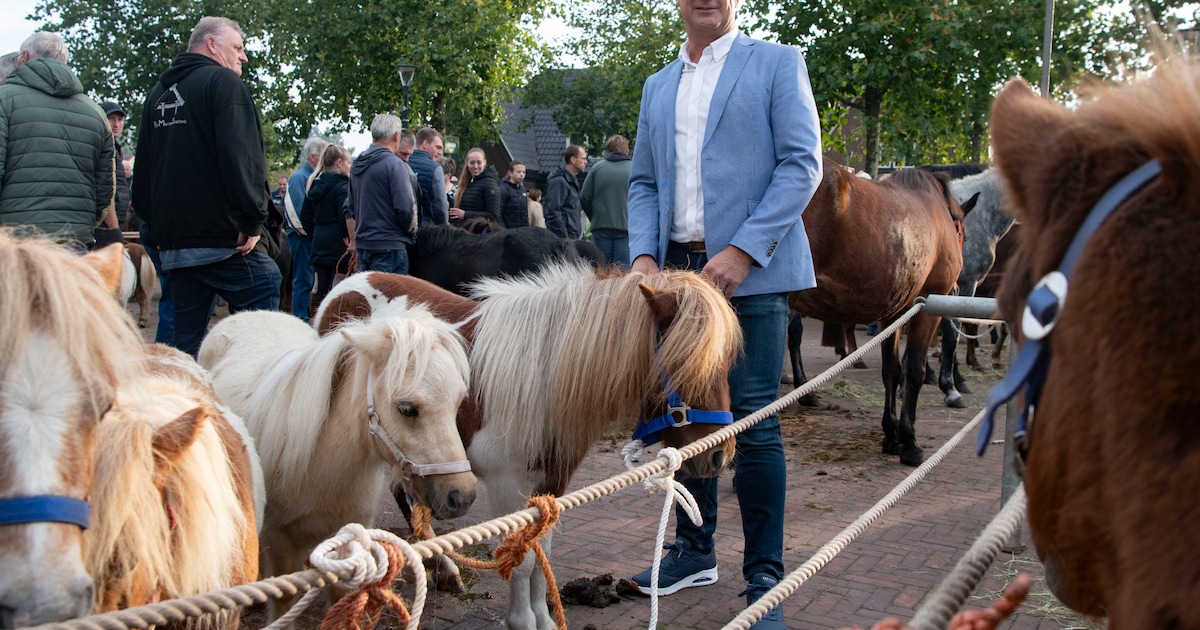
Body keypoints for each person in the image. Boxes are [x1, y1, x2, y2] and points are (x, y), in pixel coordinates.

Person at [625, 0, 823, 626]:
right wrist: (642, 257)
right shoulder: (658, 86)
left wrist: (742, 251)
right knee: (686, 417)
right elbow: (644, 184)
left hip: (753, 274)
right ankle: (694, 551)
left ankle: (765, 578)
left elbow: (802, 165)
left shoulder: (777, 63)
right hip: (676, 276)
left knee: (754, 420)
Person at [133, 16, 281, 357]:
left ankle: (182, 394)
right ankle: (252, 382)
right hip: (221, 239)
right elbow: (241, 158)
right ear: (212, 44)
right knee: (266, 282)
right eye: (238, 47)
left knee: (185, 339)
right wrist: (252, 221)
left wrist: (158, 228)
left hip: (177, 247)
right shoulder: (223, 84)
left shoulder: (157, 94)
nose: (243, 57)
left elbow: (143, 172)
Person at [0, 32, 115, 252]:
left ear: (23, 56)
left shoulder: (3, 100)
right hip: (74, 243)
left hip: (15, 247)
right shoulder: (95, 112)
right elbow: (105, 191)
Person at [347, 113, 416, 274]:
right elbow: (405, 208)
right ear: (396, 136)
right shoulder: (395, 165)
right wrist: (411, 232)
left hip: (364, 244)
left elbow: (351, 206)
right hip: (390, 246)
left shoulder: (357, 164)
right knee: (392, 299)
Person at [299, 144, 352, 312]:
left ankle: (316, 322)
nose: (350, 167)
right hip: (340, 244)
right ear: (339, 162)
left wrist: (315, 234)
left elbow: (305, 216)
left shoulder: (313, 184)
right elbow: (344, 215)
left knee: (320, 289)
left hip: (319, 242)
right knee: (341, 289)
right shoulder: (343, 185)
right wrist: (349, 238)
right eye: (348, 162)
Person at [285, 136, 328, 322]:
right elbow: (297, 213)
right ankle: (299, 318)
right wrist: (312, 234)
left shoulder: (309, 177)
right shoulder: (300, 178)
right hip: (302, 238)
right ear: (313, 156)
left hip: (308, 237)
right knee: (303, 280)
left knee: (307, 280)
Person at [580, 134, 632, 268]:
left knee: (601, 269)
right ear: (626, 150)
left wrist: (595, 217)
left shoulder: (597, 168)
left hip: (601, 227)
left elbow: (584, 197)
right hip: (626, 228)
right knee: (622, 271)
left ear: (608, 149)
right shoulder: (634, 169)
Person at [100, 101, 134, 235]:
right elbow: (104, 189)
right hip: (105, 225)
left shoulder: (115, 148)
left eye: (120, 119)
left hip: (116, 221)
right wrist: (114, 229)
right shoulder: (103, 146)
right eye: (111, 119)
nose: (116, 124)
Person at [544, 144, 586, 239]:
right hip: (564, 239)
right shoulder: (559, 181)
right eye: (583, 159)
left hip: (571, 236)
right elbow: (553, 211)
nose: (586, 162)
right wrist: (563, 238)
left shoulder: (571, 180)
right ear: (573, 160)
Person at [449, 147, 501, 225]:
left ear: (484, 162)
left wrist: (465, 214)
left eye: (479, 162)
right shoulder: (467, 182)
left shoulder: (490, 184)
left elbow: (493, 215)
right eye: (472, 162)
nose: (475, 166)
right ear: (467, 164)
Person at [409, 127, 448, 225]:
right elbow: (440, 205)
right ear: (425, 144)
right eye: (438, 147)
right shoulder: (435, 168)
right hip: (427, 230)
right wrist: (445, 228)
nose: (440, 153)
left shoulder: (400, 163)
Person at [498, 160, 529, 228]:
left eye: (523, 172)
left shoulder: (523, 190)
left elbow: (525, 214)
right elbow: (498, 213)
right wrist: (503, 231)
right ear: (510, 173)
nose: (522, 174)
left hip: (521, 232)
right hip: (508, 232)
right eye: (518, 172)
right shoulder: (503, 189)